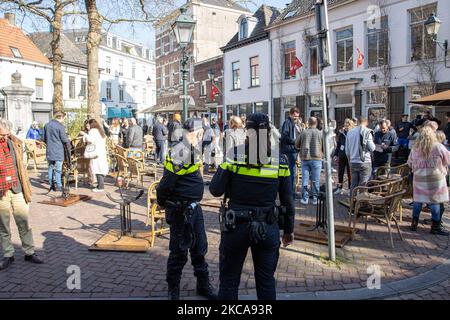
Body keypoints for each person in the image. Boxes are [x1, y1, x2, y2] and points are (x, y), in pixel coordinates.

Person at [209, 113, 295, 300]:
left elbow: (215, 190)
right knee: (266, 282)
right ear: (268, 130)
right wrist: (288, 230)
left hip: (235, 227)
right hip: (268, 227)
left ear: (247, 131)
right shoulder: (280, 160)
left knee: (229, 282)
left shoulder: (235, 154)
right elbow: (288, 201)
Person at [156, 118, 216, 300]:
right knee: (179, 252)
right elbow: (166, 183)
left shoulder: (189, 148)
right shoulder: (180, 151)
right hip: (181, 211)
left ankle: (203, 286)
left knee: (199, 249)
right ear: (196, 133)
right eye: (201, 133)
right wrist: (162, 201)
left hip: (193, 208)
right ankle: (173, 290)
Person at [0, 118, 44, 270]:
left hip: (17, 188)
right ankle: (8, 254)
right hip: (1, 192)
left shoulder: (14, 143)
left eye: (6, 134)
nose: (4, 137)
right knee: (3, 225)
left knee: (23, 221)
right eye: (1, 135)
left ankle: (29, 252)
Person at [408, 126, 450, 235]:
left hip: (419, 178)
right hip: (435, 178)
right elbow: (448, 160)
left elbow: (410, 163)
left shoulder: (415, 147)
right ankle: (435, 227)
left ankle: (414, 223)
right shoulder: (438, 147)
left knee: (418, 200)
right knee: (435, 201)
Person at [296, 117, 323, 205]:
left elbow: (296, 144)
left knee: (305, 179)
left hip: (305, 158)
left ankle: (305, 199)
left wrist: (301, 148)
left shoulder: (304, 132)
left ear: (308, 122)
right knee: (316, 180)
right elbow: (324, 147)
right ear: (316, 123)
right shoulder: (320, 133)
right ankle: (315, 199)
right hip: (317, 159)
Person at [345, 116, 376, 194]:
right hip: (365, 161)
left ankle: (353, 203)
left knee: (354, 185)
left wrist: (350, 160)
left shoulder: (350, 132)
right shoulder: (367, 132)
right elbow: (372, 148)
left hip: (353, 161)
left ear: (358, 122)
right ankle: (362, 204)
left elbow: (347, 150)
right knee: (363, 185)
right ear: (366, 122)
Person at [43, 112, 71, 192]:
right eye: (63, 119)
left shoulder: (47, 125)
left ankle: (51, 185)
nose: (63, 120)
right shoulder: (60, 126)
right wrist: (67, 139)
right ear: (61, 117)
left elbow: (43, 138)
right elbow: (64, 139)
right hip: (58, 150)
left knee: (50, 167)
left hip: (49, 150)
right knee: (58, 169)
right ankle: (59, 186)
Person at [79, 119, 109, 192]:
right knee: (100, 168)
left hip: (96, 152)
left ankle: (100, 187)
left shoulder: (93, 131)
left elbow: (90, 139)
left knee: (97, 169)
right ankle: (100, 185)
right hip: (101, 151)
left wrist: (84, 134)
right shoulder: (100, 131)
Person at [280, 107, 301, 199]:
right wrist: (294, 141)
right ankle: (290, 193)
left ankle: (292, 192)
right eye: (295, 116)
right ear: (291, 114)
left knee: (293, 172)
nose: (296, 118)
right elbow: (284, 136)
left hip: (294, 150)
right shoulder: (287, 123)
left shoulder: (295, 124)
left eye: (297, 116)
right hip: (289, 151)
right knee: (291, 172)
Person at [333, 118, 355, 195]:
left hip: (350, 156)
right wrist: (335, 154)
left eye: (347, 125)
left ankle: (350, 188)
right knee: (340, 172)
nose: (346, 126)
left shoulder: (353, 134)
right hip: (342, 156)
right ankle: (339, 187)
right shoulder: (342, 134)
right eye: (345, 124)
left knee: (350, 173)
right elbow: (338, 145)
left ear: (351, 126)